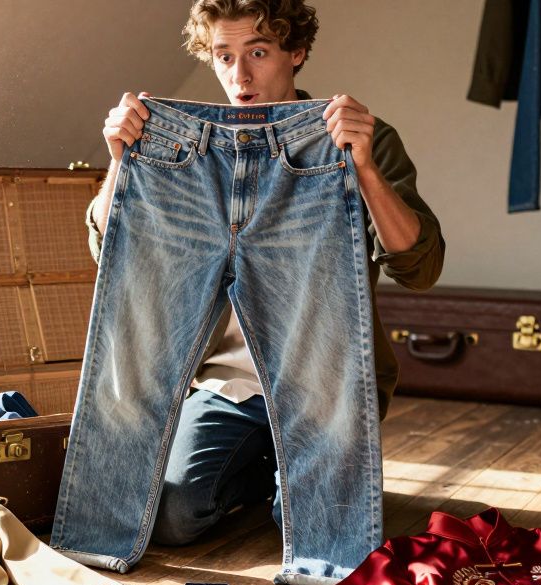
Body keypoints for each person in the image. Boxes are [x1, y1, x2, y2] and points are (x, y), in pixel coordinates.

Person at [83, 0, 444, 549]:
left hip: (327, 385)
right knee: (176, 517)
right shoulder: (187, 149)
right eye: (224, 56)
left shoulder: (359, 137)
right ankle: (269, 473)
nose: (240, 76)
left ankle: (302, 478)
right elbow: (110, 252)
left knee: (325, 533)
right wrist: (120, 161)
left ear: (296, 53)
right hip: (226, 382)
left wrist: (363, 167)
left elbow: (421, 270)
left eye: (258, 52)